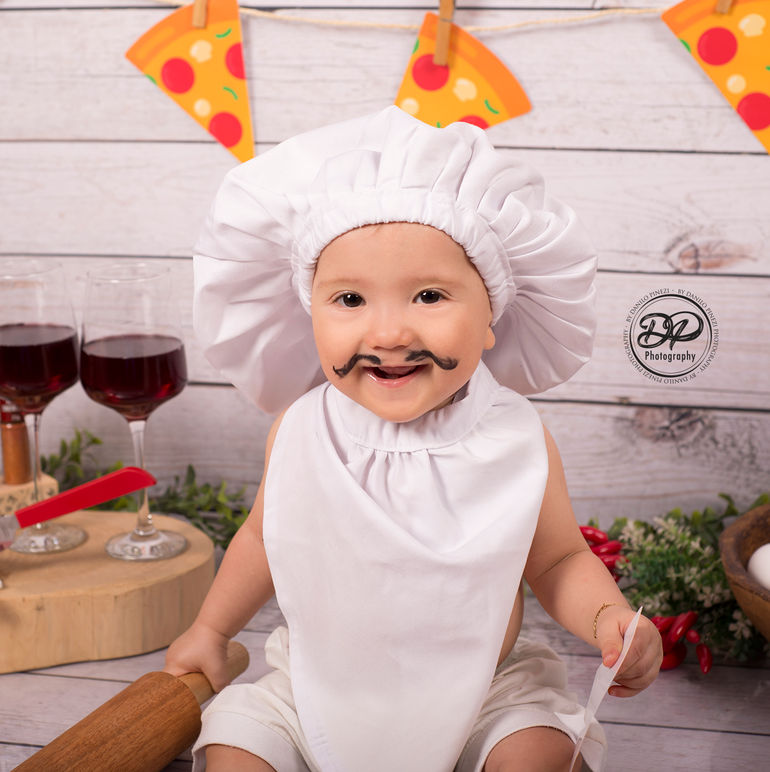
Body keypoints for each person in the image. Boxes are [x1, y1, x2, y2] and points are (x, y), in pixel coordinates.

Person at [165, 106, 663, 772]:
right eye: (349, 300)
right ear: (307, 309)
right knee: (236, 751)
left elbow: (556, 560)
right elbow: (262, 535)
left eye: (429, 295)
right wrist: (210, 629)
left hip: (486, 686)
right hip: (318, 682)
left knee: (538, 754)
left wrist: (609, 616)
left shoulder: (514, 435)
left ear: (493, 314)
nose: (389, 332)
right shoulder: (303, 428)